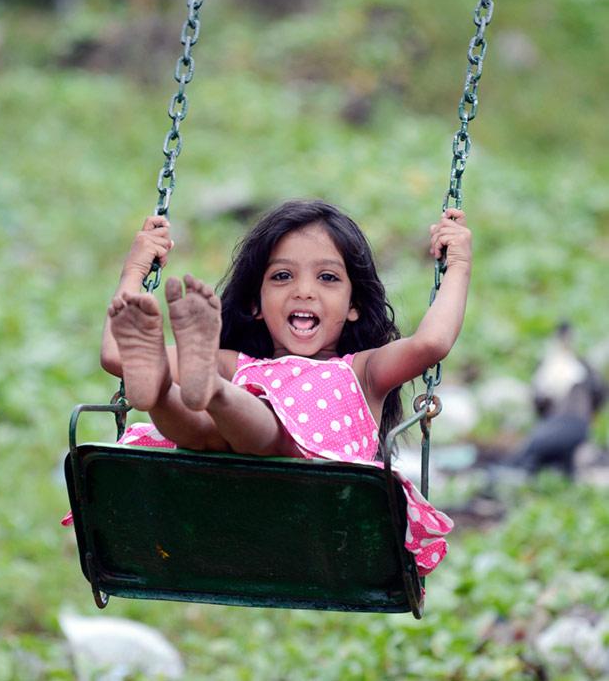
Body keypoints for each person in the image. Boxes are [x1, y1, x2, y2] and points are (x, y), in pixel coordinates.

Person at [80, 200, 470, 573]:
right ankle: (161, 394)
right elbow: (119, 356)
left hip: (316, 500)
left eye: (328, 278)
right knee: (202, 433)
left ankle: (204, 394)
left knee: (269, 431)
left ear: (354, 305)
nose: (303, 290)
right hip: (229, 494)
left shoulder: (364, 371)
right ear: (255, 303)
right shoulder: (238, 364)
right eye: (282, 276)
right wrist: (135, 268)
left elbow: (430, 344)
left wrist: (459, 265)